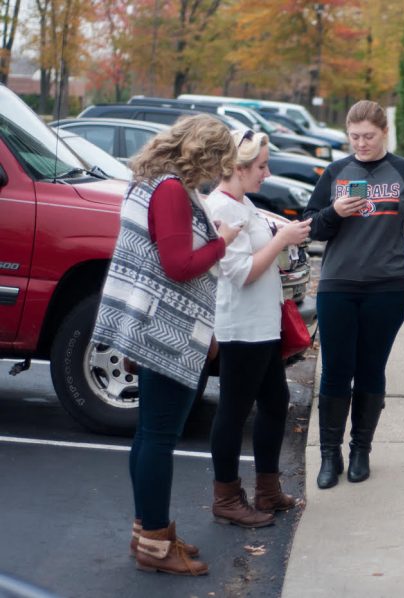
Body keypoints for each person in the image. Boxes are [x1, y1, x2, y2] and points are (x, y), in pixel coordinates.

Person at [91, 114, 241, 574]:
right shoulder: (172, 190)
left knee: (149, 436)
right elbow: (177, 265)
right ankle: (156, 544)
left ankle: (149, 531)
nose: (219, 174)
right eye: (220, 163)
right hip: (166, 333)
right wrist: (220, 242)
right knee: (158, 436)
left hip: (147, 323)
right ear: (206, 154)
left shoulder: (150, 183)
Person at [304, 100, 404, 489]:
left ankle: (360, 450)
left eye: (369, 136)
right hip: (338, 285)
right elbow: (311, 227)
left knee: (371, 368)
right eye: (354, 137)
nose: (361, 144)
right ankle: (329, 454)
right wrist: (335, 211)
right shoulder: (335, 173)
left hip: (387, 287)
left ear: (384, 132)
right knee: (336, 369)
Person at [205, 130, 311, 528]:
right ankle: (227, 497)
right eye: (261, 166)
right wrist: (281, 237)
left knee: (273, 401)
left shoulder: (241, 204)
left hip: (262, 325)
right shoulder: (222, 209)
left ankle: (267, 489)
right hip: (241, 327)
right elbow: (241, 273)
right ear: (237, 167)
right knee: (233, 410)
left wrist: (285, 241)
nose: (267, 173)